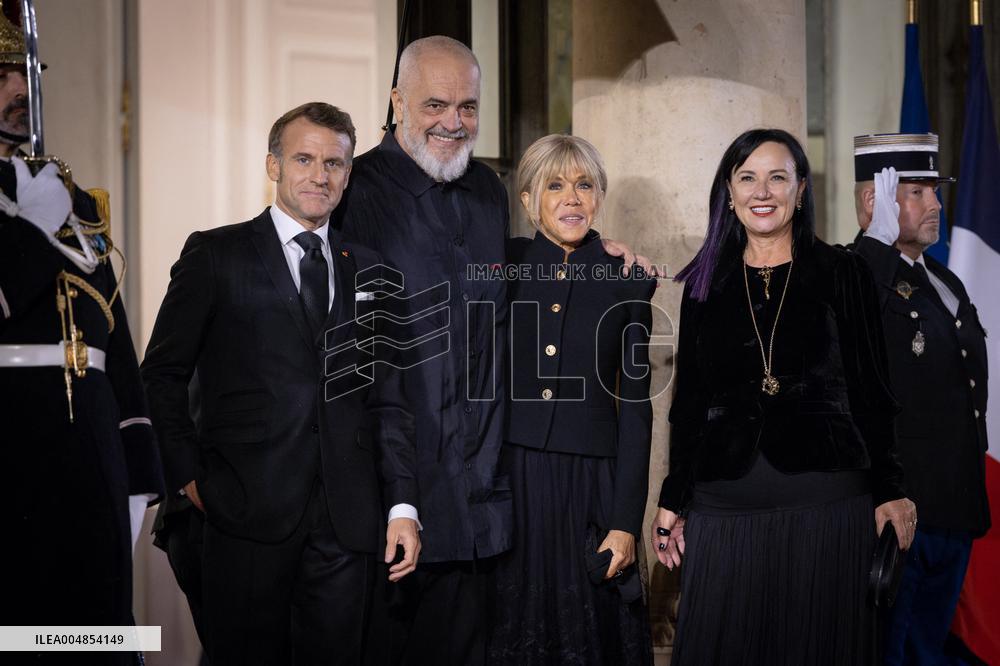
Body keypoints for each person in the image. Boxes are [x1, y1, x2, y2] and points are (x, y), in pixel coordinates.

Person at [334, 35, 648, 666]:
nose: (453, 121)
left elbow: (538, 272)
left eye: (468, 106)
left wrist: (603, 255)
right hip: (392, 492)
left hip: (495, 499)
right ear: (397, 102)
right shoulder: (354, 189)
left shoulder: (485, 193)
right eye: (435, 104)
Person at [141, 102, 420, 665]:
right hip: (241, 514)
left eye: (334, 163)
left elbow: (390, 401)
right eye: (303, 159)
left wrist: (402, 507)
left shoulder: (374, 270)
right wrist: (189, 477)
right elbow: (160, 375)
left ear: (348, 174)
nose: (320, 175)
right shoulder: (216, 255)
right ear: (273, 165)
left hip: (347, 525)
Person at [650, 128, 917, 665]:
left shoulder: (843, 271)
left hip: (828, 507)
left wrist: (890, 488)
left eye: (777, 177)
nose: (762, 191)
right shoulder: (704, 284)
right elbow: (691, 405)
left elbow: (872, 391)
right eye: (747, 177)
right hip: (725, 506)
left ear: (800, 191)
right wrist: (674, 499)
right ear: (729, 192)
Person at [0, 4, 164, 661]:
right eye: (2, 74)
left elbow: (111, 344)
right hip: (13, 445)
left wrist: (138, 465)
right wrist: (32, 231)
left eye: (26, 72)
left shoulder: (75, 200)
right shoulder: (43, 208)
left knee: (94, 637)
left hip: (91, 454)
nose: (20, 88)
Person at [488, 134, 655, 664]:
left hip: (592, 488)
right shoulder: (504, 265)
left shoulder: (627, 280)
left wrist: (625, 521)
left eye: (584, 185)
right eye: (555, 186)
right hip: (515, 484)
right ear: (527, 199)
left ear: (599, 196)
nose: (572, 199)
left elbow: (637, 408)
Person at [851, 133, 990, 665]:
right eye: (917, 192)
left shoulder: (943, 280)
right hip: (899, 511)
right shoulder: (856, 273)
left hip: (952, 505)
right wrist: (874, 245)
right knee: (889, 651)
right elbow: (846, 327)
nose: (935, 204)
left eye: (936, 190)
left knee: (928, 651)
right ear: (875, 202)